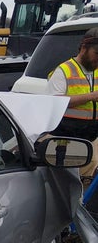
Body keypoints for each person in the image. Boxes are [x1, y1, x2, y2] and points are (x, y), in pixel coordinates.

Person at [48, 27, 98, 180]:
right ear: (84, 48)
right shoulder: (63, 71)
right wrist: (91, 96)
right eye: (97, 54)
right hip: (68, 141)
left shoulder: (96, 70)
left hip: (92, 138)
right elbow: (54, 103)